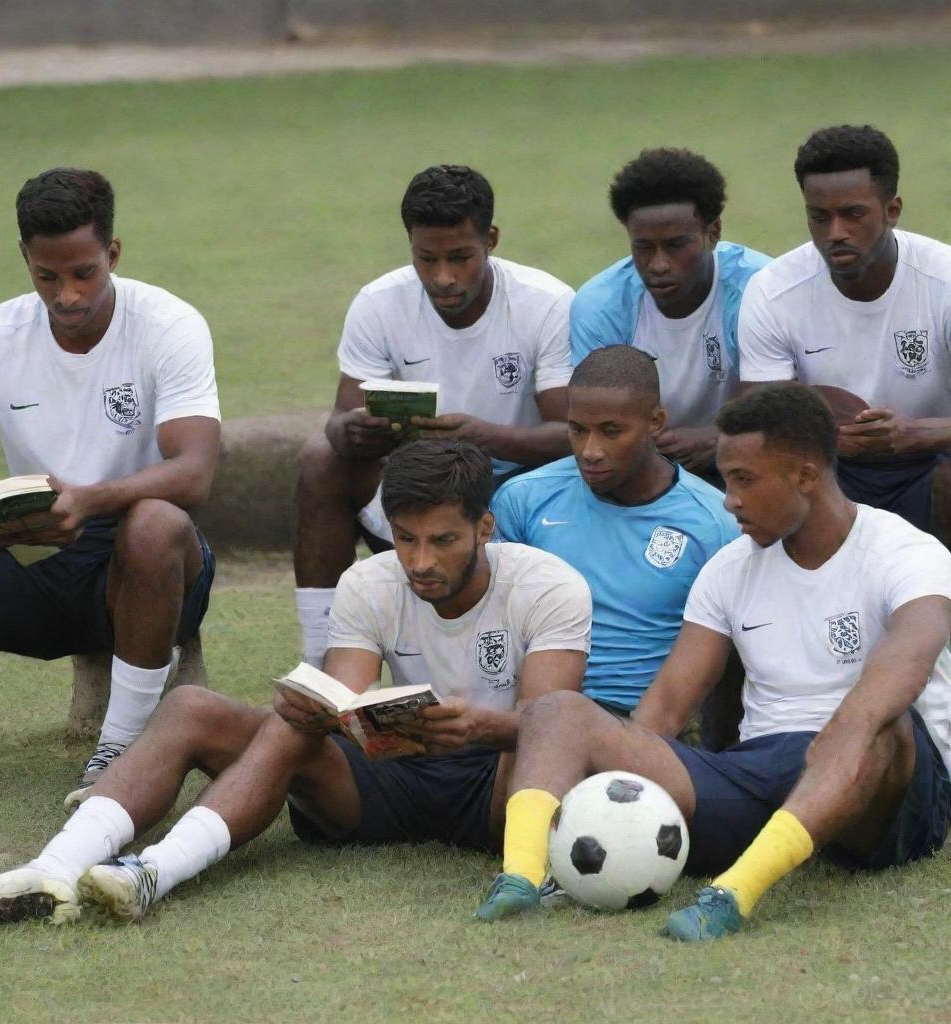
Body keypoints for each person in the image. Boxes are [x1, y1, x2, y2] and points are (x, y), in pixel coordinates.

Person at [0, 438, 591, 925]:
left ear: (485, 528)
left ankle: (527, 873)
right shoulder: (370, 582)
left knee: (543, 727)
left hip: (496, 791)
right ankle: (68, 869)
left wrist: (477, 726)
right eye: (404, 539)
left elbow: (549, 722)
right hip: (387, 784)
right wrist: (319, 708)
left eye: (443, 541)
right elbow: (344, 700)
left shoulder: (548, 585)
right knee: (201, 708)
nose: (420, 561)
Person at [475, 383, 951, 940]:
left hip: (890, 790)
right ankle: (523, 879)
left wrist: (845, 729)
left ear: (806, 475)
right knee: (558, 710)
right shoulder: (729, 569)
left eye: (745, 480)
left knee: (875, 718)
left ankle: (733, 893)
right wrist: (621, 770)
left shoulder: (908, 554)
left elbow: (906, 664)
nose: (729, 500)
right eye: (726, 480)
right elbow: (665, 711)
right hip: (761, 770)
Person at [0, 168, 220, 807]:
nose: (67, 294)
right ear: (26, 260)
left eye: (84, 272)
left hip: (143, 570)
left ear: (113, 253)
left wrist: (89, 500)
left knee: (154, 522)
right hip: (31, 565)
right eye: (47, 276)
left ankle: (119, 748)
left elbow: (194, 472)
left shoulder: (168, 324)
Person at [293, 164, 575, 668]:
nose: (443, 277)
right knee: (320, 459)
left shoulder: (546, 303)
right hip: (418, 492)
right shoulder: (379, 304)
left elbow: (571, 435)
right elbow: (338, 419)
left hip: (514, 495)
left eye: (460, 258)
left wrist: (482, 436)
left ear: (490, 239)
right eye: (426, 258)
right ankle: (321, 662)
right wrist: (353, 428)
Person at [491, 346, 738, 716]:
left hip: (645, 724)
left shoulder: (715, 524)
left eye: (611, 431)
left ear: (655, 422)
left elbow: (728, 666)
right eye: (577, 430)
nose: (590, 451)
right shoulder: (522, 500)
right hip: (533, 713)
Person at [738, 124, 951, 540]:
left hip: (931, 462)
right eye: (819, 216)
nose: (835, 233)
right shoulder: (774, 291)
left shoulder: (943, 281)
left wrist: (913, 434)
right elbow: (759, 423)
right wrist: (824, 436)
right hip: (829, 469)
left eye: (853, 214)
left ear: (892, 210)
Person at [570, 148, 770, 478]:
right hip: (636, 464)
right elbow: (595, 415)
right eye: (643, 247)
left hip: (748, 456)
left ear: (714, 232)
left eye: (676, 246)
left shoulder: (759, 288)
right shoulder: (600, 304)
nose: (658, 265)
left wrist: (722, 437)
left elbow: (778, 402)